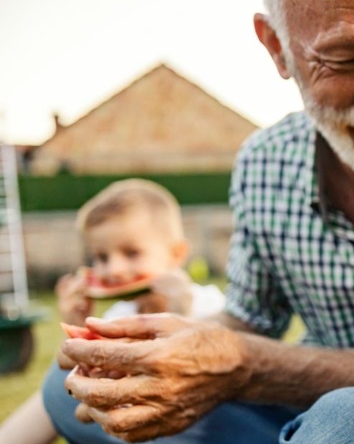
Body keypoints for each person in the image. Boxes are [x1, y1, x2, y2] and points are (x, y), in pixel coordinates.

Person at [46, 0, 354, 443]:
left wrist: (242, 364)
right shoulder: (264, 161)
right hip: (305, 417)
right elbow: (248, 321)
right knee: (76, 386)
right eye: (347, 59)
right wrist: (164, 351)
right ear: (276, 47)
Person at [0, 178, 225, 444]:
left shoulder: (209, 303)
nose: (113, 270)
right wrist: (75, 330)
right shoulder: (115, 318)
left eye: (131, 253)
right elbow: (71, 382)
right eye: (101, 257)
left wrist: (181, 312)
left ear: (176, 254)